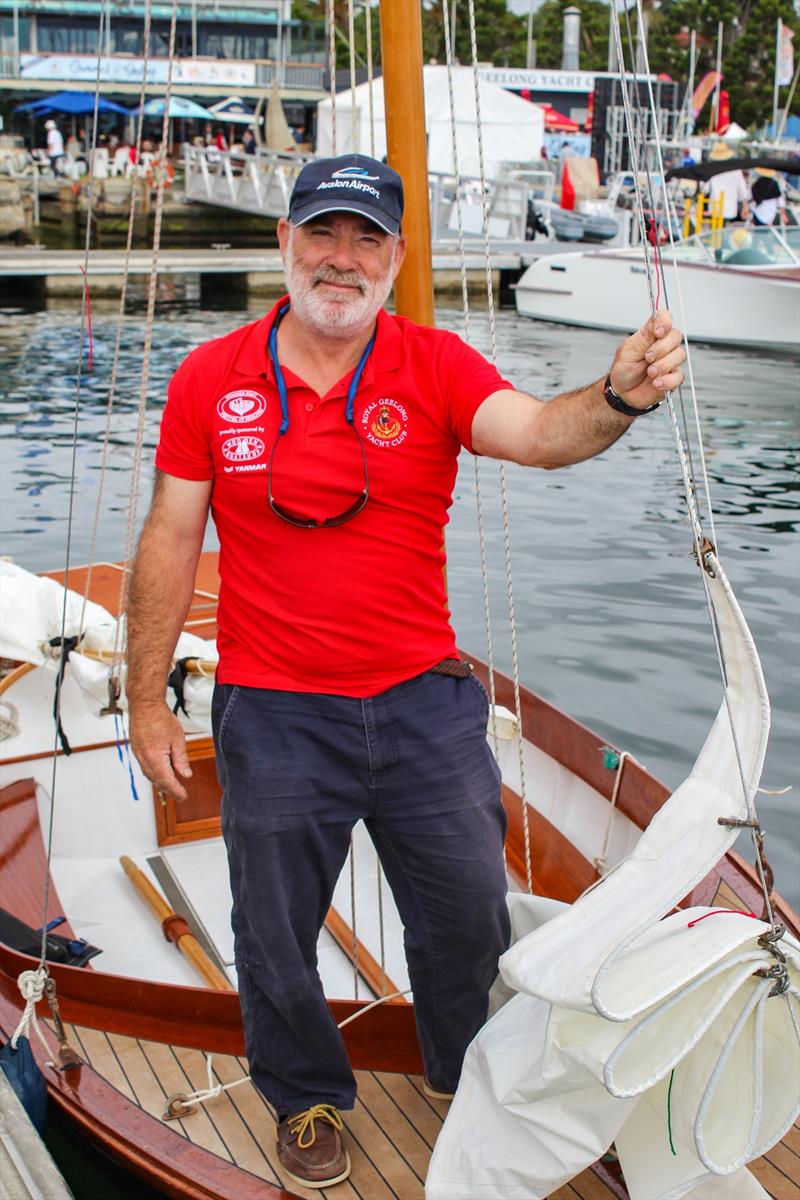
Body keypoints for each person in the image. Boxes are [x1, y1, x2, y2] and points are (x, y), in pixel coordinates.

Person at [127, 154, 685, 1191]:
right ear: (284, 242)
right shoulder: (210, 379)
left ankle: (464, 1071)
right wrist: (145, 698)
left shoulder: (432, 365)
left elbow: (535, 434)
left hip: (421, 702)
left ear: (393, 257)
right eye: (322, 234)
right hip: (276, 708)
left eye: (365, 240)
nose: (340, 260)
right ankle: (301, 1098)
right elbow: (168, 537)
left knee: (467, 912)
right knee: (275, 928)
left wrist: (617, 393)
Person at [706, 141, 749, 224]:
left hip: (714, 209)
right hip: (730, 210)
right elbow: (743, 192)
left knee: (714, 234)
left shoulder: (712, 169)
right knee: (724, 234)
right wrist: (745, 206)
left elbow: (705, 189)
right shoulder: (736, 170)